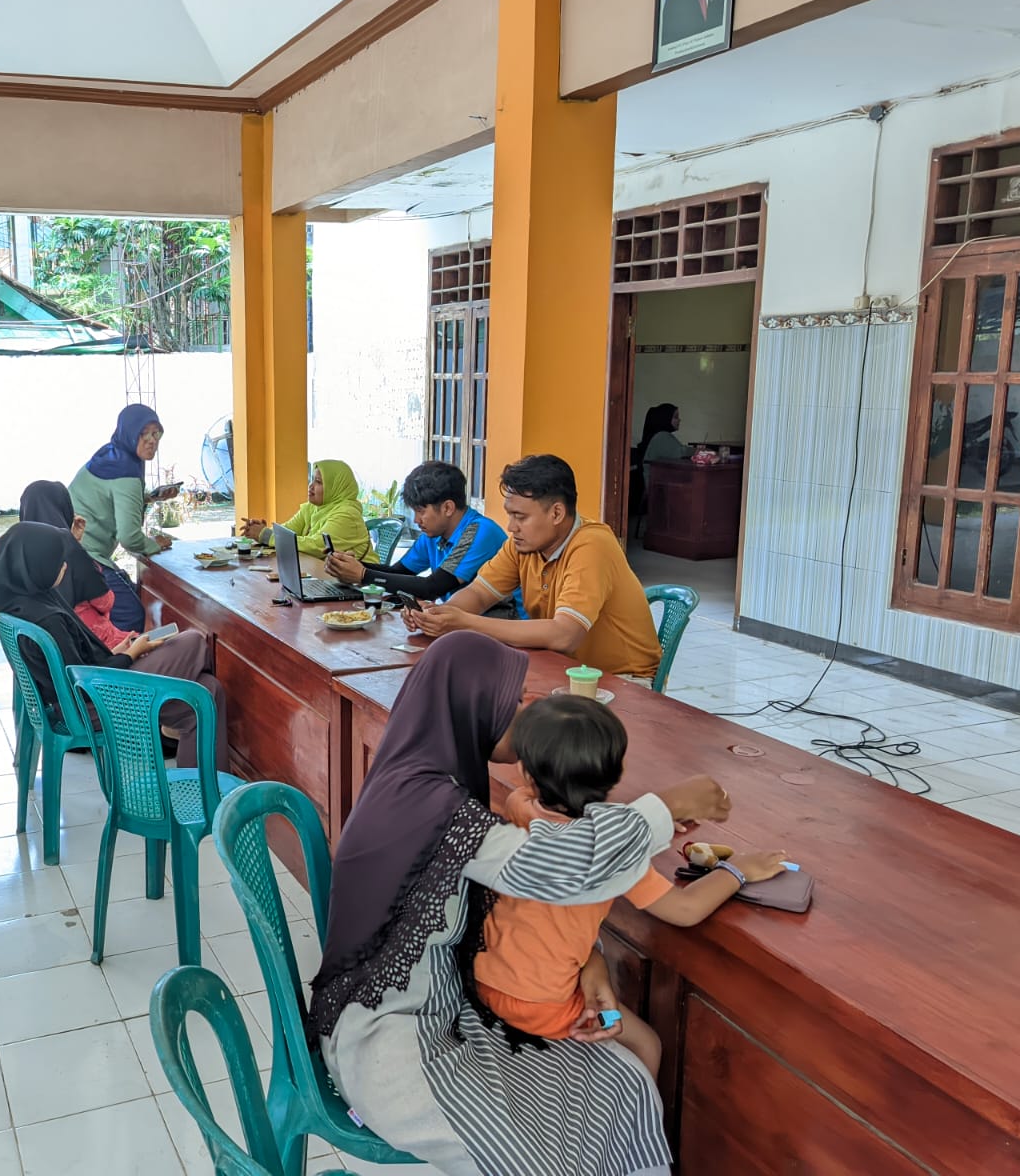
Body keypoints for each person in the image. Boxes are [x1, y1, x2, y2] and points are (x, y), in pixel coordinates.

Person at [308, 632, 732, 1175]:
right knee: (545, 1157)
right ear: (473, 708)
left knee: (621, 1084)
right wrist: (665, 807)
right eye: (512, 701)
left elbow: (518, 889)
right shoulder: (429, 802)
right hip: (387, 1039)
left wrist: (591, 959)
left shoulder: (429, 780)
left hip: (442, 1012)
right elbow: (554, 866)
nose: (523, 712)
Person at [476, 696, 787, 1080]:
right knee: (646, 1044)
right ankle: (640, 1129)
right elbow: (685, 910)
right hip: (544, 1002)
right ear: (619, 771)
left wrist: (654, 826)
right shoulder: (619, 862)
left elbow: (573, 821)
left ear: (524, 770)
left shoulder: (518, 803)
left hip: (488, 978)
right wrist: (737, 870)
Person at [0, 522, 229, 770]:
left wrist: (117, 653)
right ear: (36, 565)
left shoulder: (22, 601)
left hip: (82, 693)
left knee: (207, 690)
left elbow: (74, 665)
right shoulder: (47, 618)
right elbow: (80, 682)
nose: (64, 567)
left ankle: (202, 798)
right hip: (90, 703)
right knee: (193, 640)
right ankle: (206, 793)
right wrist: (130, 654)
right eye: (58, 561)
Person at [404, 455, 663, 682]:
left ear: (557, 514)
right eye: (510, 515)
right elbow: (480, 594)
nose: (511, 526)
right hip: (561, 667)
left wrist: (465, 623)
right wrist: (438, 615)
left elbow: (565, 635)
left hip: (621, 679)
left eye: (521, 517)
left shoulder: (592, 545)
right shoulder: (523, 545)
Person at [323, 460, 519, 617]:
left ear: (448, 508)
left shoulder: (479, 532)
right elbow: (400, 572)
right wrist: (350, 565)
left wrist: (363, 575)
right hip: (467, 619)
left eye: (420, 511)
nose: (416, 520)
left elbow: (433, 587)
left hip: (506, 621)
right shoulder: (433, 533)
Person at [69, 404, 179, 635]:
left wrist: (148, 497)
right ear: (129, 433)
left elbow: (107, 499)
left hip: (70, 554)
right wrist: (154, 544)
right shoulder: (127, 473)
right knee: (132, 615)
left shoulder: (110, 454)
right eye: (143, 433)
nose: (152, 440)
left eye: (156, 433)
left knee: (129, 590)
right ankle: (124, 665)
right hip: (88, 559)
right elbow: (129, 538)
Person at [18, 479, 131, 650]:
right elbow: (105, 602)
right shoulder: (71, 554)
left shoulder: (18, 559)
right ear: (64, 509)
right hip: (100, 650)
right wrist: (74, 544)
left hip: (66, 654)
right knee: (184, 642)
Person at [238, 459, 370, 560]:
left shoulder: (347, 515)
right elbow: (288, 532)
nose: (311, 486)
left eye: (318, 482)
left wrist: (266, 535)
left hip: (361, 585)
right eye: (312, 480)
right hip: (325, 575)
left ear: (335, 487)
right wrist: (265, 532)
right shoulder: (312, 507)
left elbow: (316, 546)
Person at [638, 403, 691, 480]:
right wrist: (702, 452)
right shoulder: (661, 436)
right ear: (665, 418)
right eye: (675, 417)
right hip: (652, 485)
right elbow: (681, 452)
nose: (679, 420)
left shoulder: (657, 435)